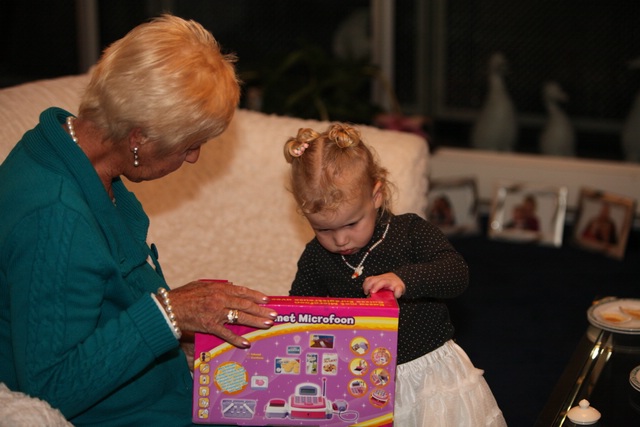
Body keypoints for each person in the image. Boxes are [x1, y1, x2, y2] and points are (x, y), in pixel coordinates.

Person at [0, 15, 278, 426]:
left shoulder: (67, 147)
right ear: (138, 138)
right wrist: (169, 313)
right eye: (189, 145)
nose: (194, 158)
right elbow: (51, 387)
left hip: (159, 389)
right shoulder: (55, 217)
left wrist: (180, 335)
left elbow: (100, 300)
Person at [282, 123, 507, 426]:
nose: (340, 240)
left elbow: (456, 273)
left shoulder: (410, 232)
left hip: (428, 376)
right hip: (356, 380)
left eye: (351, 224)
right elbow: (300, 312)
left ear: (376, 196)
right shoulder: (315, 256)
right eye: (323, 229)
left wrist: (405, 279)